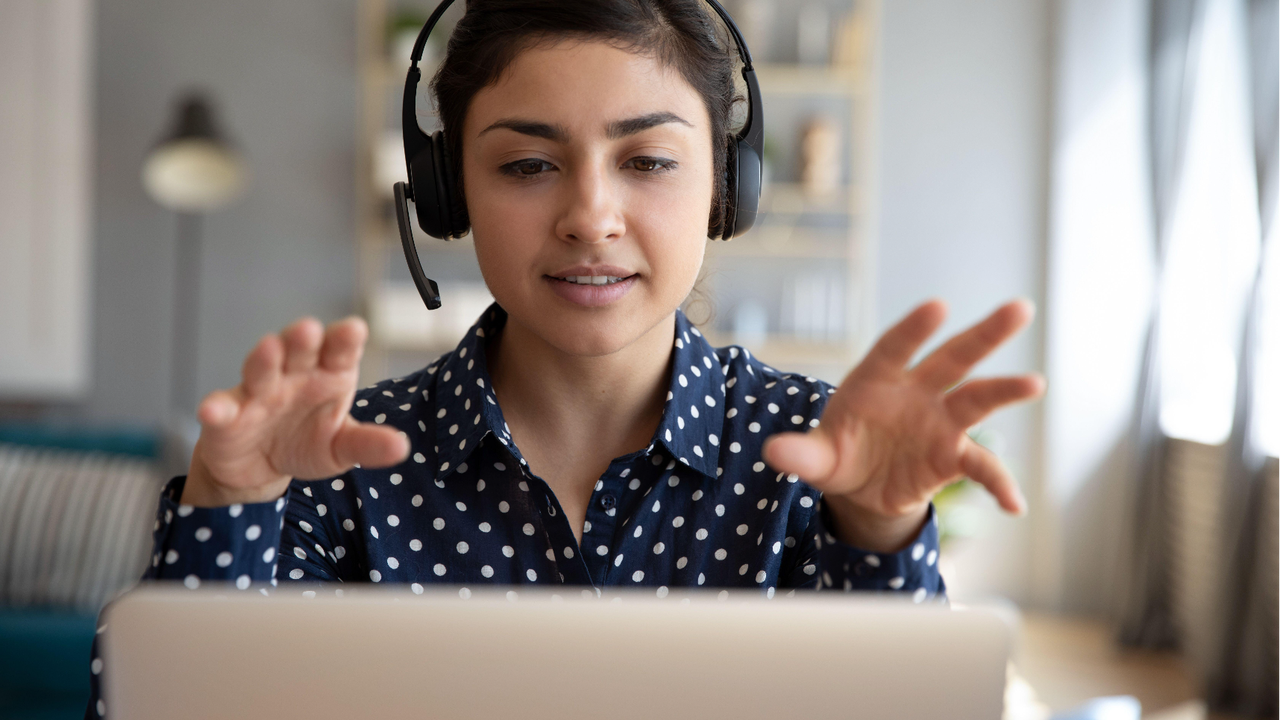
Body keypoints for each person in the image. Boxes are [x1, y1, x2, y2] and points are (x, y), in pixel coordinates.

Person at [83, 0, 1043, 717]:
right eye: (527, 165)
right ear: (448, 192)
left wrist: (876, 534)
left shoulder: (815, 455)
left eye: (649, 160)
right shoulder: (339, 462)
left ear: (726, 188)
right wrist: (228, 508)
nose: (590, 215)